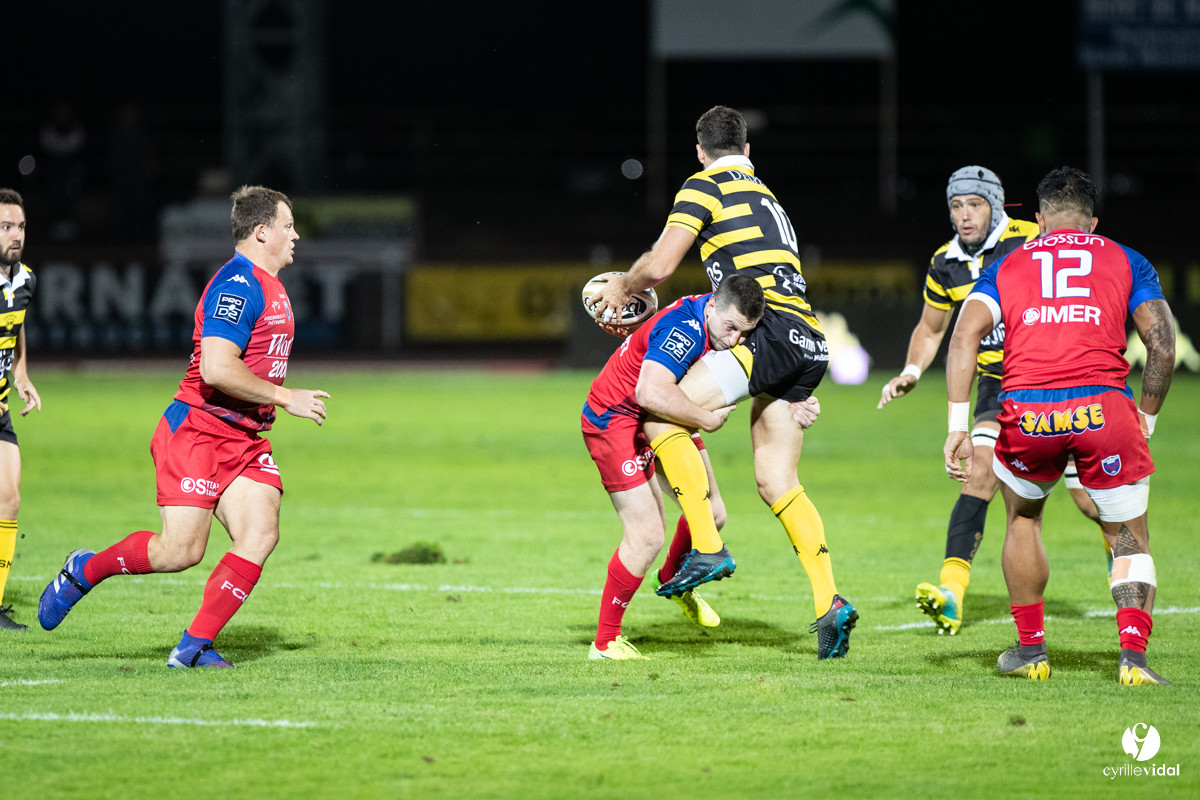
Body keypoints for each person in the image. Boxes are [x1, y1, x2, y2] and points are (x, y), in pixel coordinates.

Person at [589, 105, 855, 660]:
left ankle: (706, 547)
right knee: (778, 481)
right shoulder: (767, 195)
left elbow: (660, 264)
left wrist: (624, 284)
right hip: (806, 338)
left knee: (665, 411)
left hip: (765, 329)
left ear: (700, 151)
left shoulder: (704, 185)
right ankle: (829, 601)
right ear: (749, 151)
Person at [38, 185, 330, 668]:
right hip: (198, 431)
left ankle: (193, 648)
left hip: (242, 438)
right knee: (180, 551)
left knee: (261, 530)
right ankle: (86, 568)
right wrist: (285, 397)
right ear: (262, 232)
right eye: (287, 225)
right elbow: (216, 368)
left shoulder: (271, 283)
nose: (296, 235)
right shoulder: (238, 285)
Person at [943, 166, 1174, 684]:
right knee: (1127, 531)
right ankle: (1133, 658)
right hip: (1105, 407)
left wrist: (959, 424)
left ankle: (1031, 652)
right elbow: (1161, 343)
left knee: (1024, 518)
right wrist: (1148, 419)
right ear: (1092, 222)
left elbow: (964, 336)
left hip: (1027, 410)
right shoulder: (1127, 259)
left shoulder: (1006, 263)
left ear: (1041, 219)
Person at [879, 165, 1104, 635]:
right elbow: (932, 327)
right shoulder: (945, 261)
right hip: (995, 384)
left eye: (974, 204)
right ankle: (951, 595)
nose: (964, 215)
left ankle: (1124, 566)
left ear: (997, 205)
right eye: (956, 206)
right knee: (978, 471)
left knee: (1088, 499)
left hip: (1052, 377)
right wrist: (911, 370)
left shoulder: (1033, 239)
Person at [583, 275, 765, 660]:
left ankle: (672, 580)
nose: (733, 340)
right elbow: (647, 391)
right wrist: (706, 418)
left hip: (659, 415)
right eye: (730, 327)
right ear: (712, 307)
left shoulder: (712, 310)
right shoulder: (685, 331)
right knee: (647, 534)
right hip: (615, 420)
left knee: (712, 514)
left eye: (742, 332)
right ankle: (605, 642)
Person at [0, 189, 43, 631]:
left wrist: (22, 374)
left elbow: (18, 326)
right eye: (6, 228)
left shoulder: (25, 279)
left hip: (1, 411)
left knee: (9, 500)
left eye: (21, 227)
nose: (16, 235)